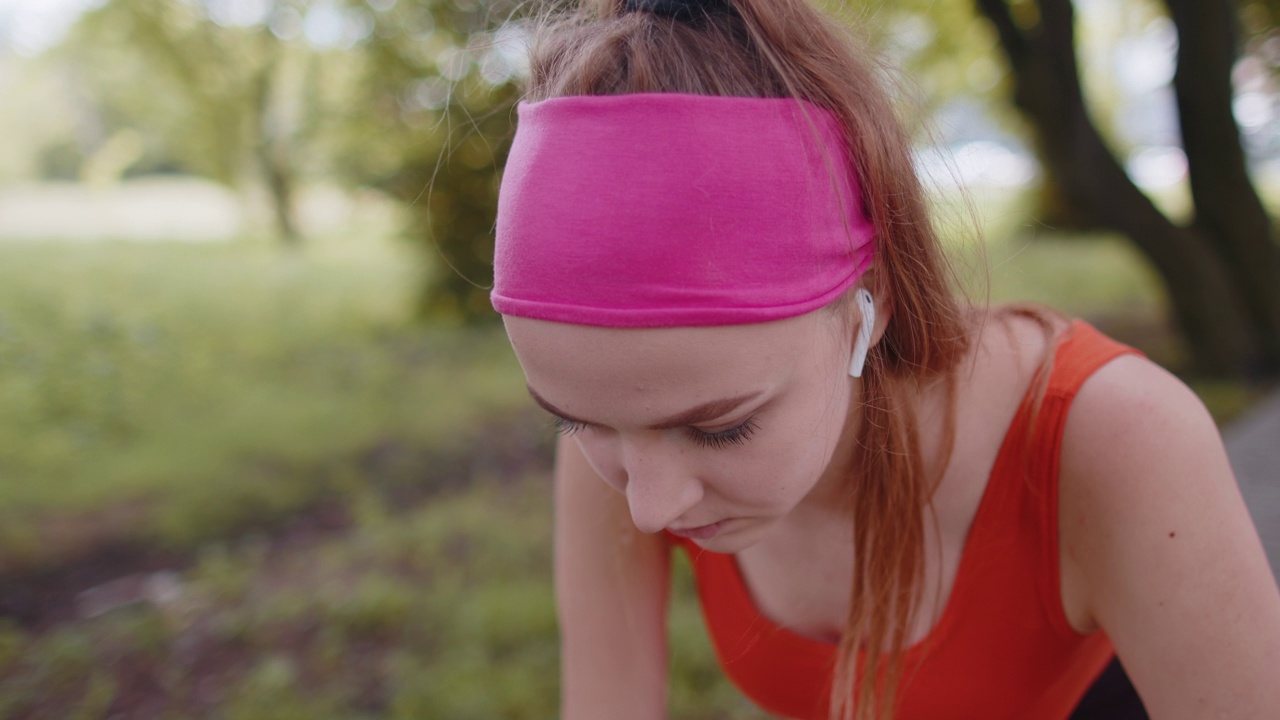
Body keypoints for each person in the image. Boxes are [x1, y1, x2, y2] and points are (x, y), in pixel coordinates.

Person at [488, 0, 1280, 718]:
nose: (650, 509)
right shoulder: (632, 431)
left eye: (723, 429)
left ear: (874, 304)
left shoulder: (1112, 438)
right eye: (575, 421)